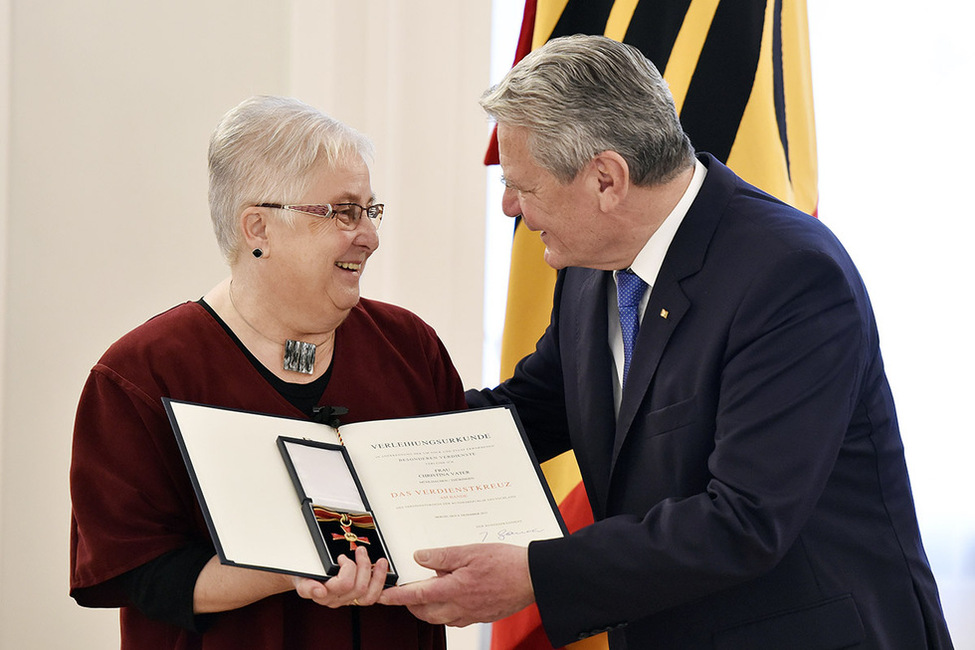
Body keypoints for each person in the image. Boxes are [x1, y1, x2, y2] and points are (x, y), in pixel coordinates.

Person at [379, 35, 954, 649]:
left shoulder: (789, 273)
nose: (509, 207)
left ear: (606, 179)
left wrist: (534, 576)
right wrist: (365, 449)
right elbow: (528, 414)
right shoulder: (589, 266)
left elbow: (745, 520)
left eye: (525, 185)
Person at [69, 95, 466, 650]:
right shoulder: (141, 375)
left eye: (371, 210)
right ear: (258, 227)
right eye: (343, 211)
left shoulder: (409, 346)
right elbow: (142, 573)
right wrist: (291, 571)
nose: (370, 236)